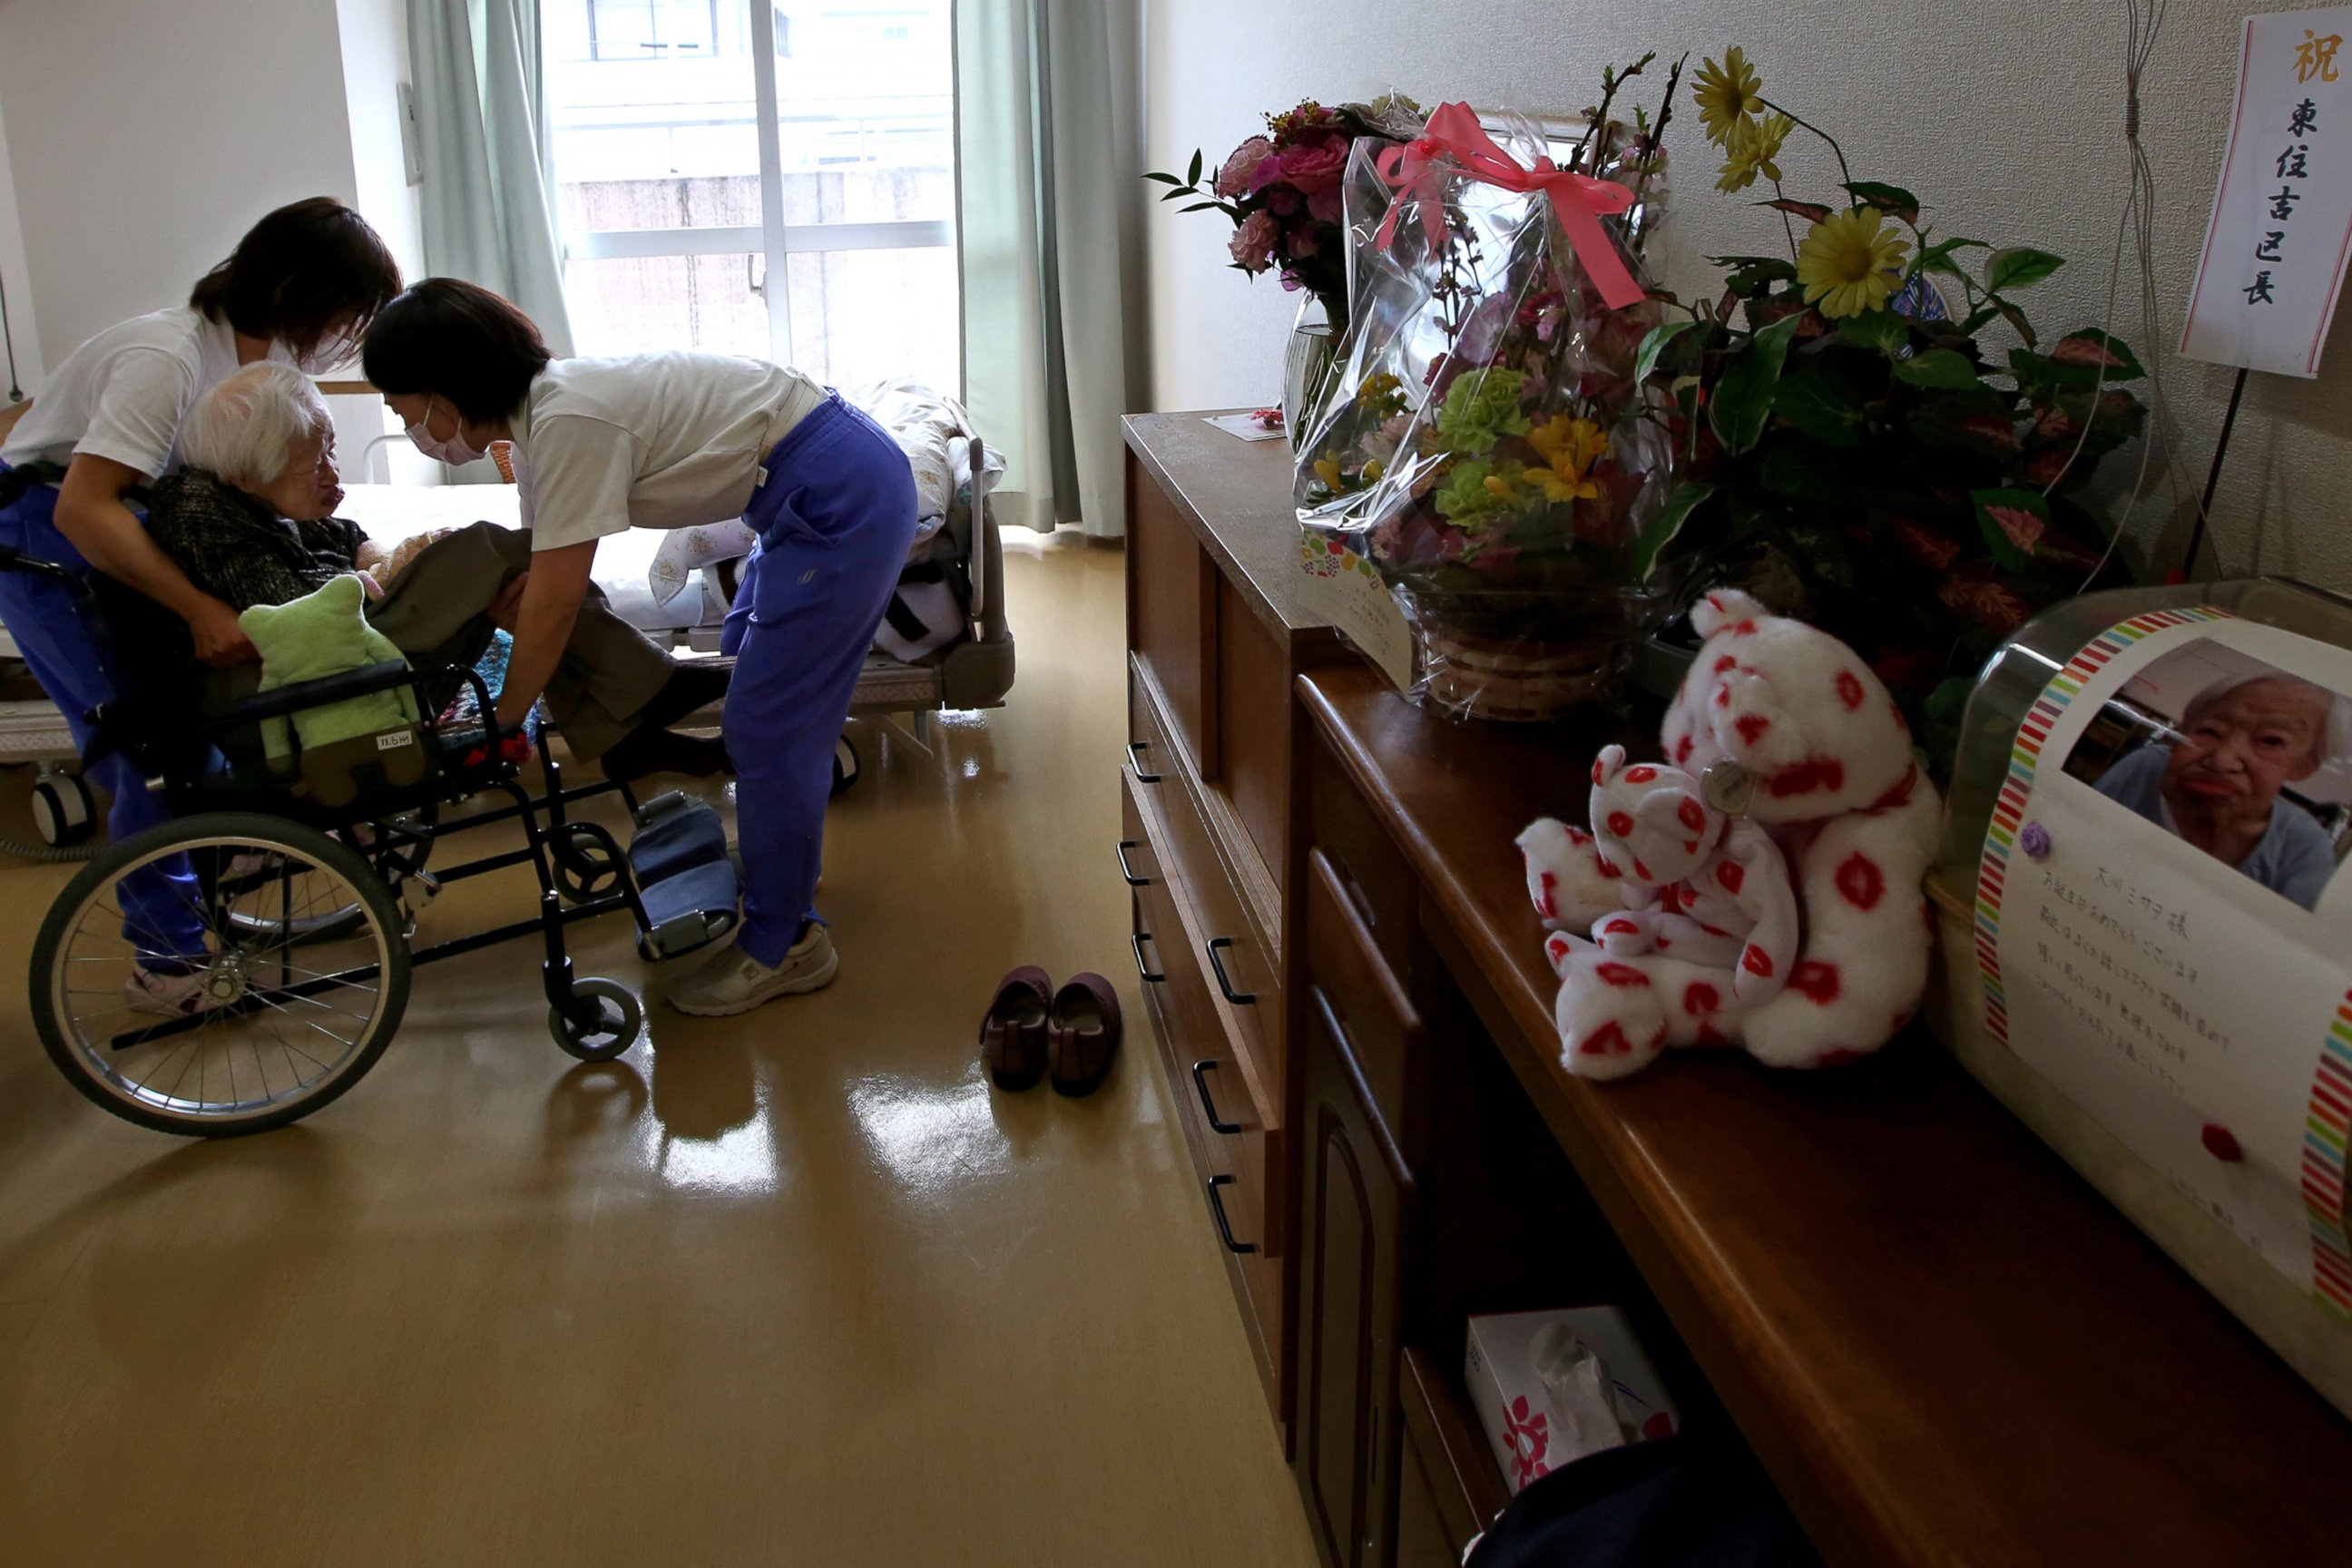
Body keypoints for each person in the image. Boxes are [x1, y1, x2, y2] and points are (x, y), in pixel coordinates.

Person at [361, 279, 917, 1016]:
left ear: (445, 388)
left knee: (769, 728)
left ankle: (787, 945)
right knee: (748, 665)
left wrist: (507, 715)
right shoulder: (541, 422)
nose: (412, 429)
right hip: (804, 493)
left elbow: (557, 601)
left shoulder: (566, 421)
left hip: (840, 496)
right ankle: (784, 866)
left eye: (406, 410)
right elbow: (538, 570)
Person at [0, 199, 401, 1014]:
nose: (345, 333)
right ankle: (166, 964)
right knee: (141, 747)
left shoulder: (251, 358)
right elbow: (85, 509)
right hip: (47, 535)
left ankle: (226, 849)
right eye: (346, 311)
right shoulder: (167, 356)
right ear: (293, 288)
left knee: (203, 721)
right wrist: (196, 610)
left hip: (131, 521)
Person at [147, 363, 729, 782]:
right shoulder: (204, 513)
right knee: (496, 551)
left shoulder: (261, 500)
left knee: (525, 567)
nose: (333, 471)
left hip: (345, 648)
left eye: (330, 451)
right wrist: (408, 567)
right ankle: (651, 689)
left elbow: (350, 539)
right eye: (315, 459)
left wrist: (385, 558)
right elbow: (294, 616)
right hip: (313, 675)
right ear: (252, 469)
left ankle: (625, 736)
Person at [2094, 671, 2347, 911]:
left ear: (2305, 766)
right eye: (2209, 731)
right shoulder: (2145, 769)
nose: (2222, 761)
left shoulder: (2303, 844)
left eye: (2271, 741)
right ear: (2182, 733)